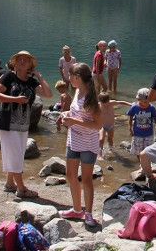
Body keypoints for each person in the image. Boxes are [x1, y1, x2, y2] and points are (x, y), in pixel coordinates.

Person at [0, 50, 51, 198]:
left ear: (30, 64)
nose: (22, 61)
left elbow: (48, 94)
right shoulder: (8, 77)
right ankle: (21, 188)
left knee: (17, 153)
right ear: (14, 63)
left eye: (26, 60)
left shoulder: (32, 81)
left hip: (24, 123)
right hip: (8, 121)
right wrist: (15, 100)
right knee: (16, 154)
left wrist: (39, 76)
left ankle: (9, 183)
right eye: (19, 59)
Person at [59, 63, 102, 228]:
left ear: (77, 78)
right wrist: (67, 115)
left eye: (70, 76)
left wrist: (73, 121)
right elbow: (77, 113)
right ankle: (77, 209)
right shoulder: (77, 91)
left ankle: (89, 213)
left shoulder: (90, 100)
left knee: (86, 179)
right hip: (73, 141)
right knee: (70, 176)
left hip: (88, 144)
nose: (68, 79)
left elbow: (98, 125)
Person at [97, 92, 132, 158]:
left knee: (110, 139)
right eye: (102, 104)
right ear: (100, 101)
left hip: (111, 125)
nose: (105, 105)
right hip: (102, 125)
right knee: (101, 139)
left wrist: (130, 104)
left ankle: (110, 149)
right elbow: (90, 109)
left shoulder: (112, 103)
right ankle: (100, 155)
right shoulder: (98, 105)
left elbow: (121, 102)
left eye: (106, 103)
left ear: (108, 100)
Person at [127, 88, 156, 156]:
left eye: (148, 101)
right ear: (139, 100)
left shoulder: (151, 107)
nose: (147, 103)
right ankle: (140, 163)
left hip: (149, 134)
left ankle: (145, 164)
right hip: (137, 134)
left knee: (148, 152)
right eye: (145, 102)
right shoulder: (134, 107)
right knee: (137, 152)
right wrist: (130, 129)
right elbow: (130, 117)